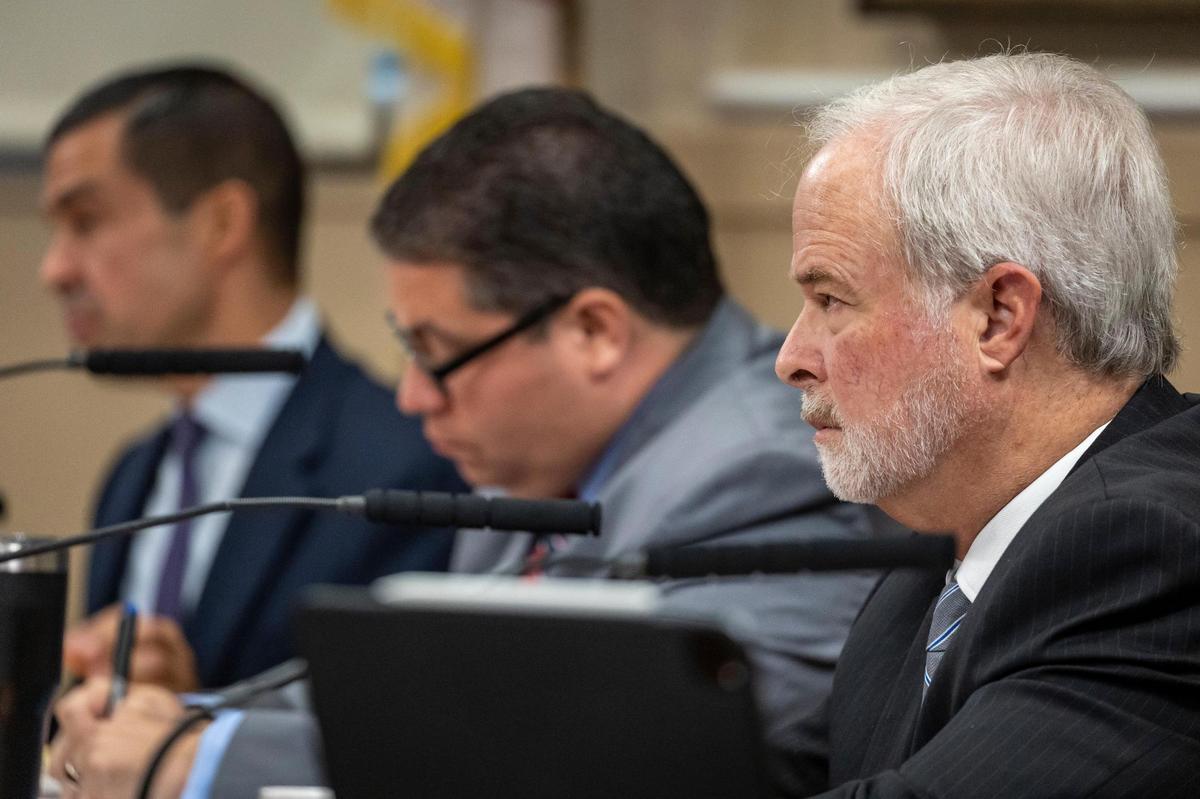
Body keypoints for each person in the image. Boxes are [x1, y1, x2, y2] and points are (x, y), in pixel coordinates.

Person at [50, 87, 886, 798]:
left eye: (438, 354)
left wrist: (201, 758)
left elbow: (605, 756)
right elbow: (413, 702)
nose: (412, 397)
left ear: (594, 331)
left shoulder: (771, 468)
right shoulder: (541, 464)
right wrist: (183, 723)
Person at [772, 52, 1200, 796]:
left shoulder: (1150, 551)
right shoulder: (944, 552)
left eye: (832, 300)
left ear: (1000, 317)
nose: (792, 360)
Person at [40, 64, 466, 694]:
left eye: (86, 221)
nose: (54, 269)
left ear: (222, 223)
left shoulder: (406, 468)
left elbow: (394, 729)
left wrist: (197, 718)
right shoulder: (133, 474)